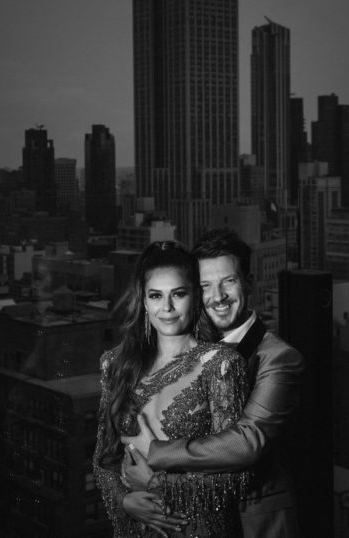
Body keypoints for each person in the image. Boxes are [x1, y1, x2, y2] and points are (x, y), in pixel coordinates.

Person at [123, 228, 305, 538]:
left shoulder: (278, 358)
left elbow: (247, 442)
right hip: (193, 521)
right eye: (205, 286)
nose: (217, 297)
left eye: (228, 282)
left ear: (248, 281)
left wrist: (153, 454)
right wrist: (128, 495)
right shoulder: (185, 350)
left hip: (254, 524)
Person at [93, 240, 252, 537]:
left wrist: (158, 485)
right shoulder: (114, 364)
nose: (166, 308)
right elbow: (103, 460)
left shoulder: (220, 365)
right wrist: (125, 500)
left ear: (195, 296)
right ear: (143, 301)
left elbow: (238, 478)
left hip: (200, 529)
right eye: (156, 296)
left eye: (178, 294)